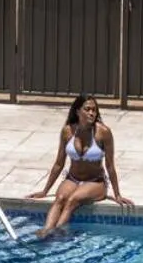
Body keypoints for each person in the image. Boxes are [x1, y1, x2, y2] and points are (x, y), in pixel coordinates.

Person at [29, 94, 133, 238]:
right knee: (60, 199)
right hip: (73, 178)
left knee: (73, 200)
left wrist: (117, 194)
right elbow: (59, 163)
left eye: (94, 110)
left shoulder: (103, 132)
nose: (91, 113)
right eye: (87, 109)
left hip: (95, 182)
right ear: (78, 111)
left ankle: (57, 233)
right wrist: (45, 191)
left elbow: (110, 166)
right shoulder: (67, 131)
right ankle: (46, 231)